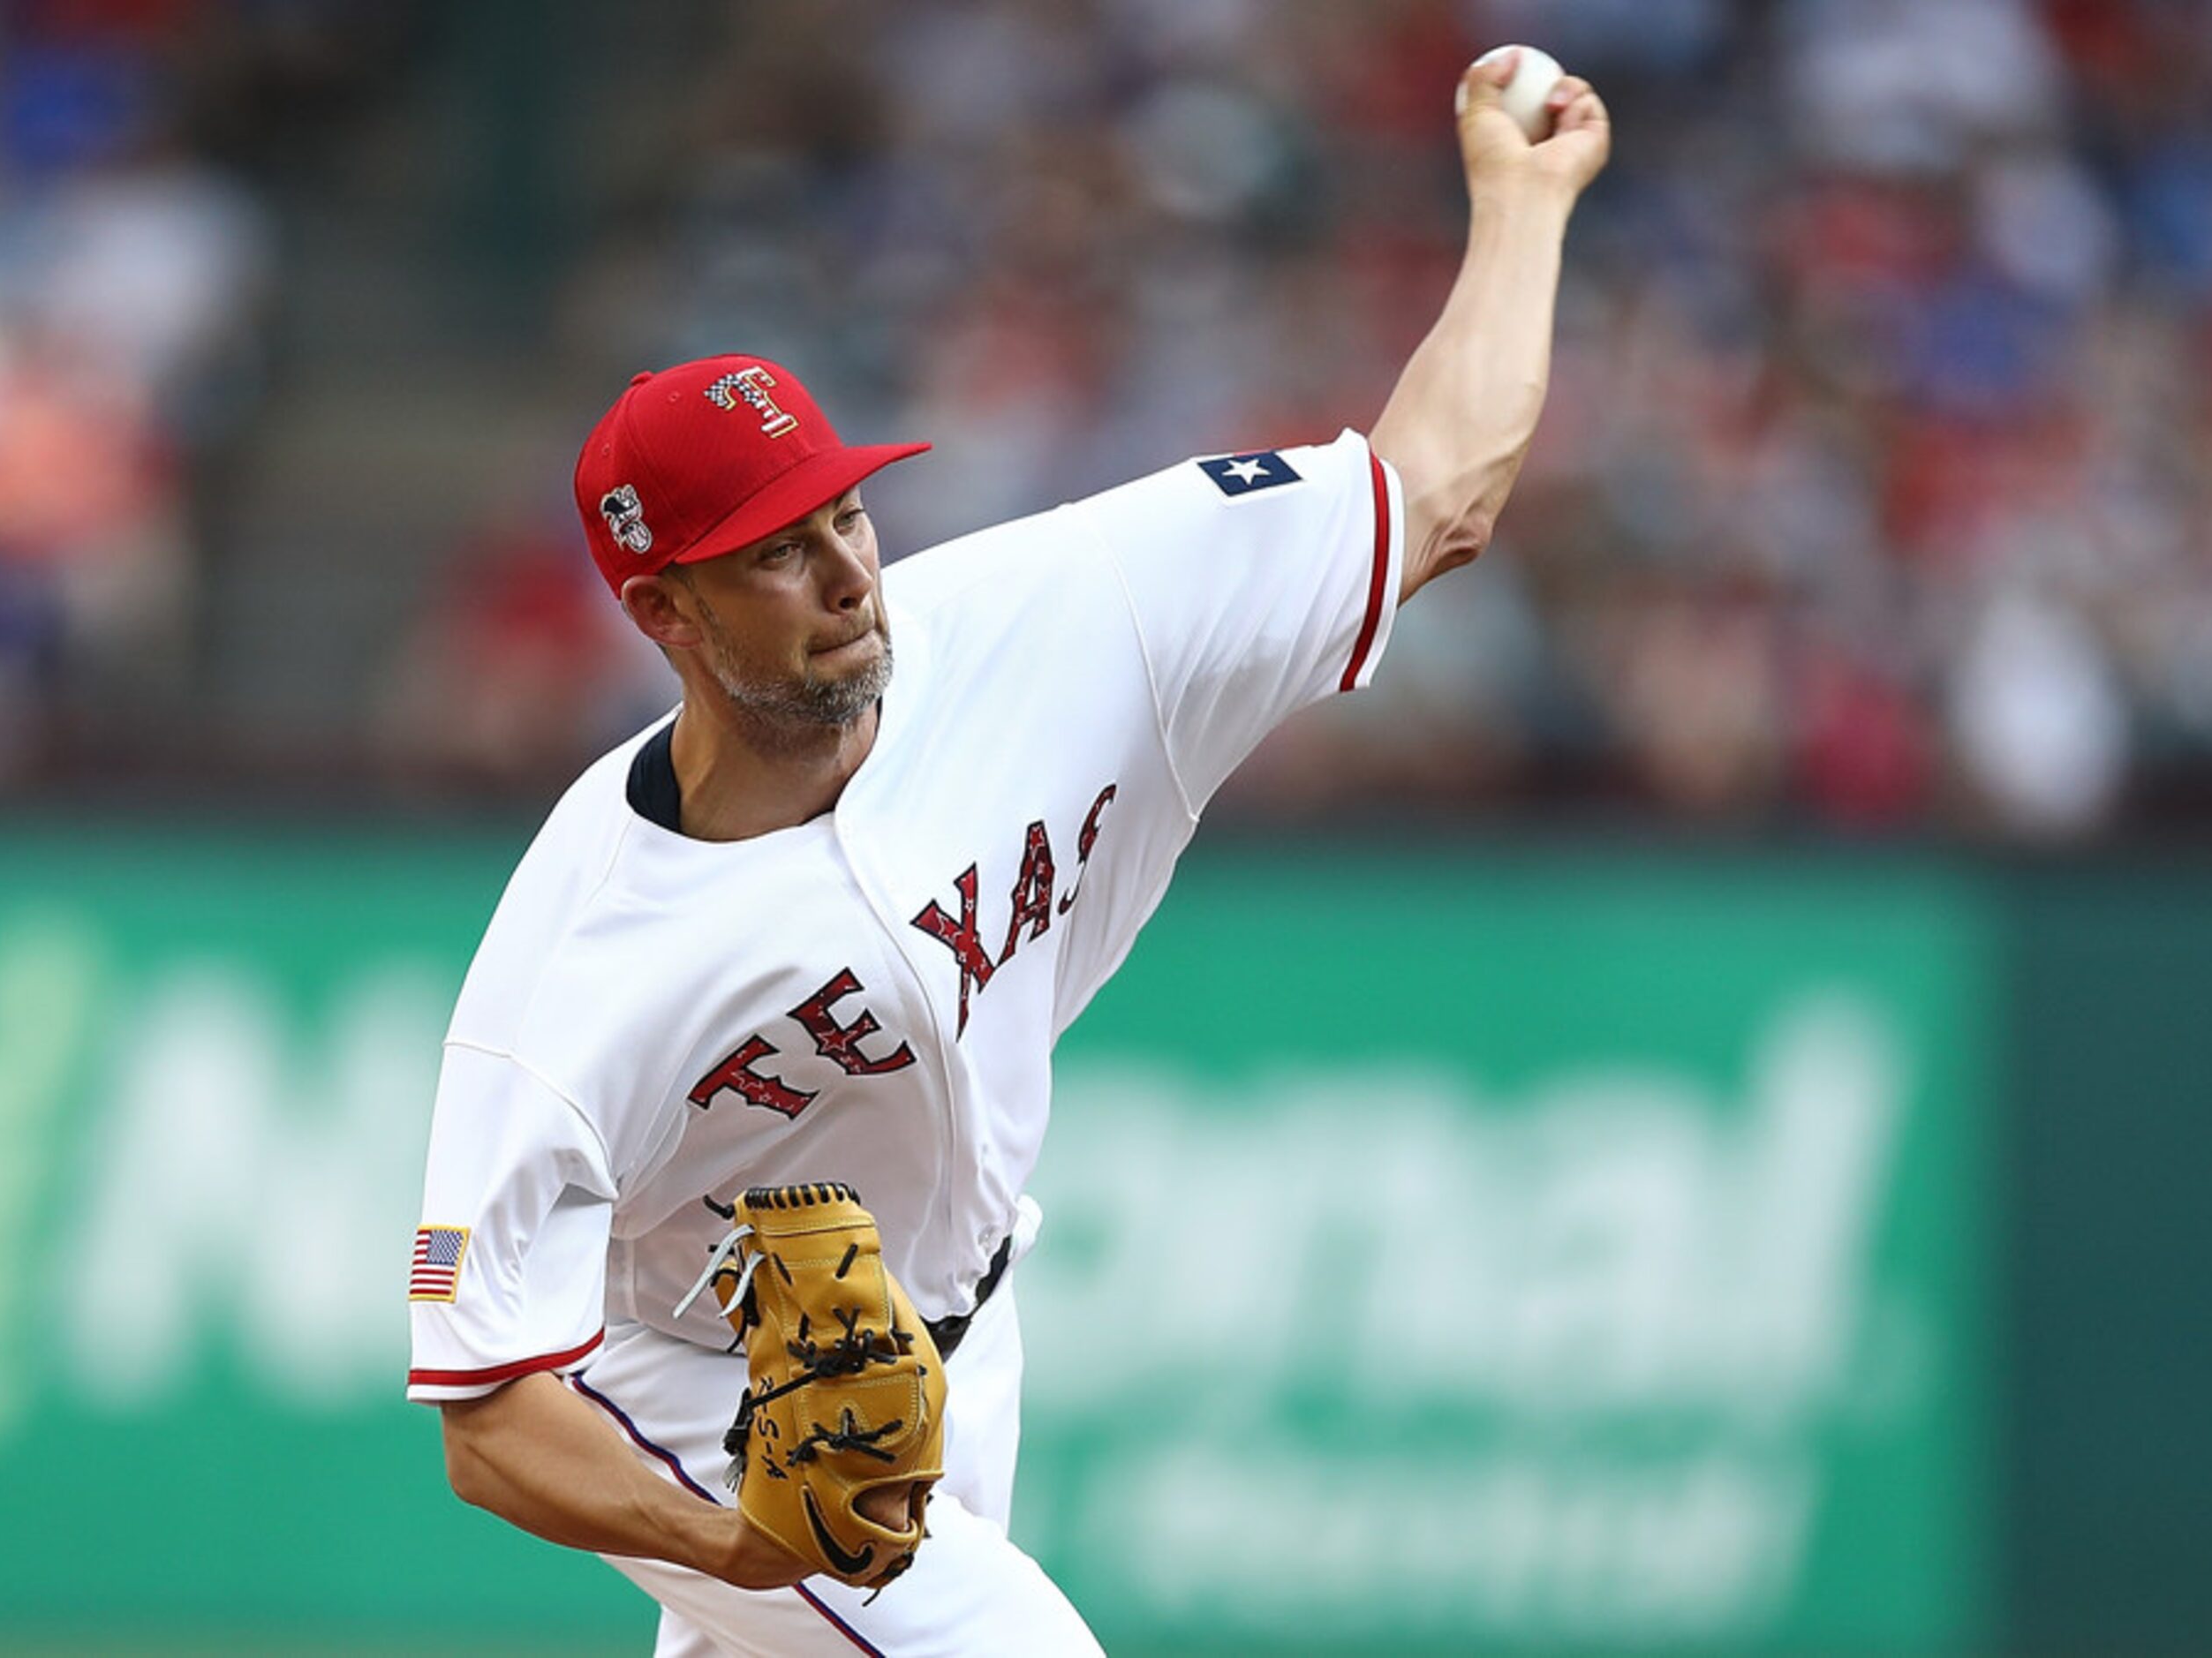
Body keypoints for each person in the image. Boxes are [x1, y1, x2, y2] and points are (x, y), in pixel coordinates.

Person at [407, 51, 1611, 1658]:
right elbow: (487, 1418)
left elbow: (1430, 500)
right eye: (772, 554)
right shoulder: (584, 963)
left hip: (962, 1342)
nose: (843, 571)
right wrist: (729, 1548)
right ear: (665, 614)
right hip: (702, 1395)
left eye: (842, 513)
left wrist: (1519, 204)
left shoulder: (1062, 614)